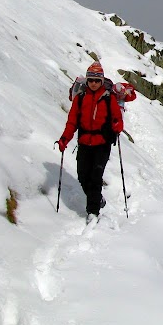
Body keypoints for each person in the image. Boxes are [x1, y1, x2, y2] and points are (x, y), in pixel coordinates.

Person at [56, 61, 124, 221]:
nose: (93, 83)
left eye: (97, 80)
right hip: (85, 142)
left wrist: (117, 125)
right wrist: (64, 139)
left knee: (95, 176)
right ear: (87, 81)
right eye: (91, 80)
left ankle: (92, 212)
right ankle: (98, 199)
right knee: (82, 175)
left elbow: (117, 117)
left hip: (102, 143)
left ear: (101, 81)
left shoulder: (109, 98)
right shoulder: (80, 98)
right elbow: (72, 122)